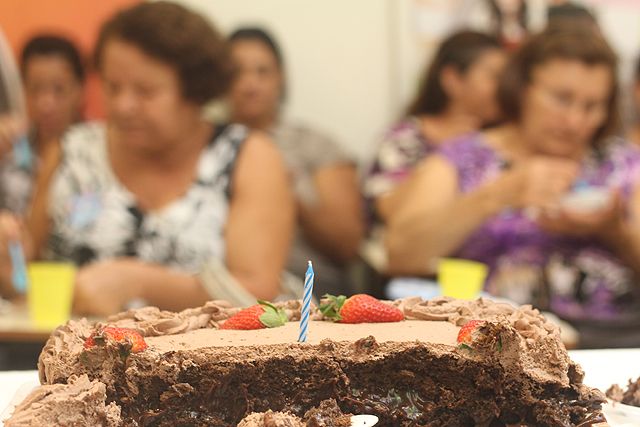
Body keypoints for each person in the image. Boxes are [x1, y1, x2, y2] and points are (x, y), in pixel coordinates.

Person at [0, 2, 295, 316]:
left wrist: (138, 282)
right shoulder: (72, 150)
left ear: (195, 92)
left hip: (200, 358)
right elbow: (31, 277)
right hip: (72, 354)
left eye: (145, 91)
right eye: (113, 87)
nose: (123, 105)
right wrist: (10, 259)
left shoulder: (247, 157)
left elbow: (256, 291)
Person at [385, 25, 640, 348]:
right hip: (498, 340)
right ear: (520, 88)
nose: (576, 121)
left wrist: (614, 231)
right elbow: (401, 254)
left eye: (592, 106)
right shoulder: (463, 159)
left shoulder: (624, 164)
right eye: (561, 99)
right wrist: (499, 193)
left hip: (619, 338)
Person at [227, 27, 363, 296]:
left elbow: (348, 245)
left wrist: (287, 188)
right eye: (236, 72)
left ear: (281, 77)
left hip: (312, 291)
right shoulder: (201, 147)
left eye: (262, 72)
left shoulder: (316, 145)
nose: (249, 84)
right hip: (221, 290)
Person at [362, 30, 505, 276]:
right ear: (452, 79)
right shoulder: (406, 138)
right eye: (493, 76)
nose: (504, 87)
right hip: (416, 276)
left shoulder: (501, 142)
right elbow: (389, 211)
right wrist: (452, 155)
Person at [0, 34, 84, 215]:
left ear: (79, 90)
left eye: (58, 90)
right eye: (35, 88)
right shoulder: (11, 146)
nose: (46, 103)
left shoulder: (94, 154)